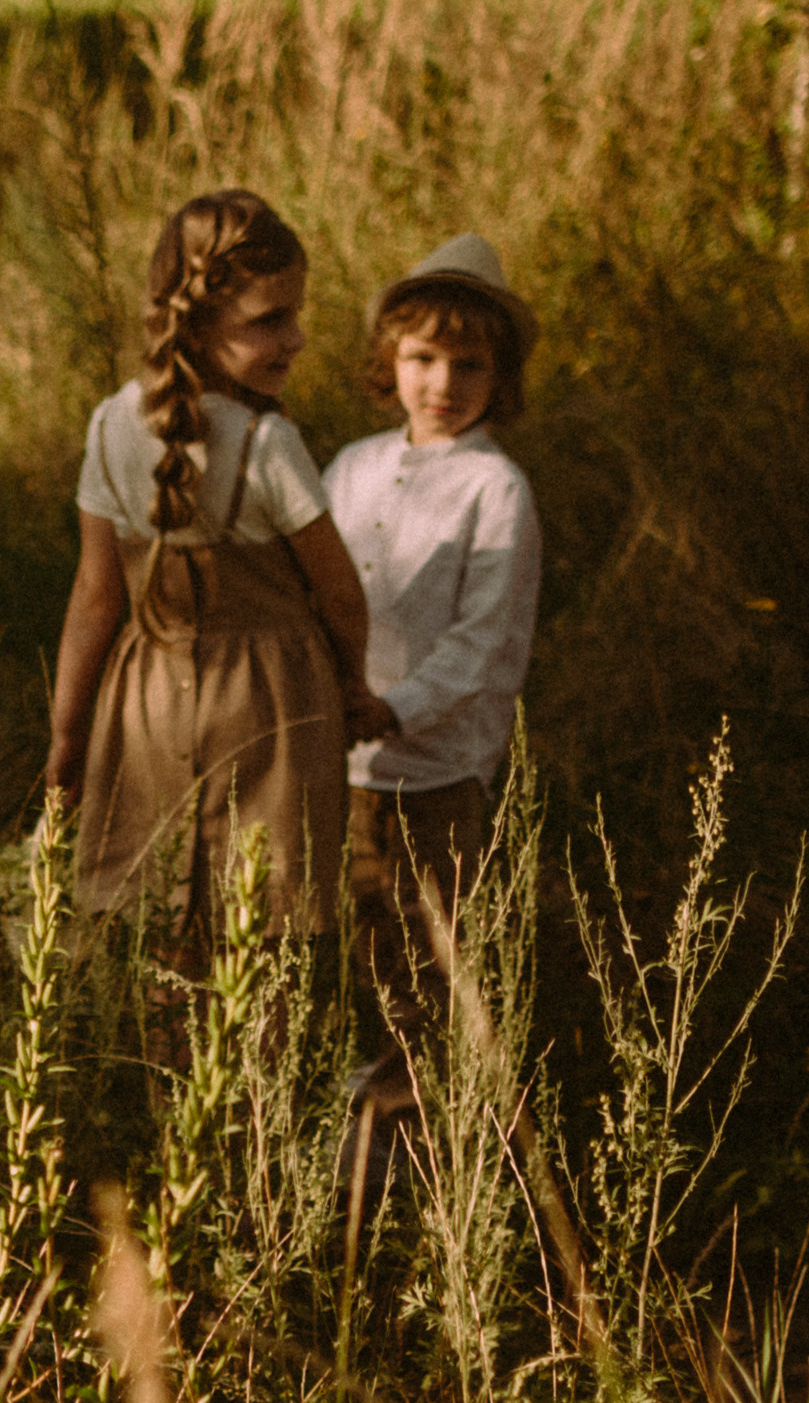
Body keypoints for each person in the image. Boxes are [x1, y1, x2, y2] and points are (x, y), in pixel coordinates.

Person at [47, 189, 389, 943]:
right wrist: (354, 684)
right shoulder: (268, 445)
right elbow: (340, 594)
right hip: (270, 702)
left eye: (295, 315)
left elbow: (96, 597)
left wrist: (68, 732)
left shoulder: (108, 425)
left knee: (161, 914)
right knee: (261, 922)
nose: (295, 338)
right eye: (270, 320)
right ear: (198, 325)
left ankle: (171, 1021)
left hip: (145, 700)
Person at [324, 234, 542, 1123]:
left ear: (500, 377)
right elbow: (320, 590)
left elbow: (480, 642)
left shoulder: (495, 489)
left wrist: (393, 708)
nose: (442, 383)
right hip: (346, 753)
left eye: (469, 364)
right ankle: (380, 1093)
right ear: (391, 359)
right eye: (422, 359)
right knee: (362, 926)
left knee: (433, 938)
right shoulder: (354, 466)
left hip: (438, 762)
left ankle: (426, 1114)